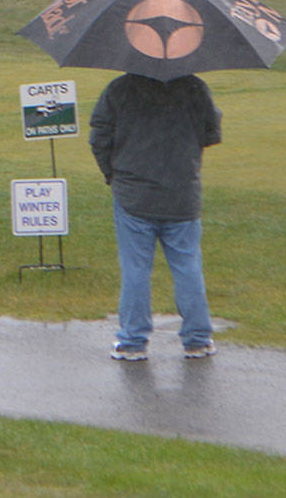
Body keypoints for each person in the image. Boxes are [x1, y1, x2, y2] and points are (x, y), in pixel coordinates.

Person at [88, 73, 222, 361]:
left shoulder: (119, 89)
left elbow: (99, 137)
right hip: (182, 191)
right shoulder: (194, 87)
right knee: (187, 265)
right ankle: (197, 339)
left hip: (133, 192)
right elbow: (212, 133)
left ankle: (132, 341)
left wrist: (111, 173)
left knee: (135, 268)